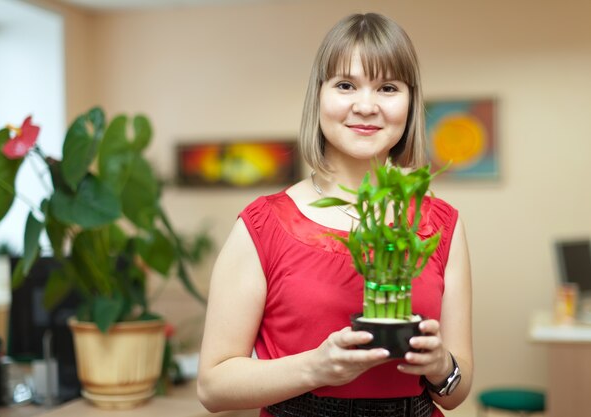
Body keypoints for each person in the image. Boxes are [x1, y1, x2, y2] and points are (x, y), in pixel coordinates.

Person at [197, 12, 473, 417]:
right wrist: (316, 367)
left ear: (410, 101)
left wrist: (440, 366)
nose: (366, 106)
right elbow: (212, 387)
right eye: (346, 85)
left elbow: (455, 392)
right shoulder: (263, 225)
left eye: (388, 87)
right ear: (319, 95)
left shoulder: (442, 224)